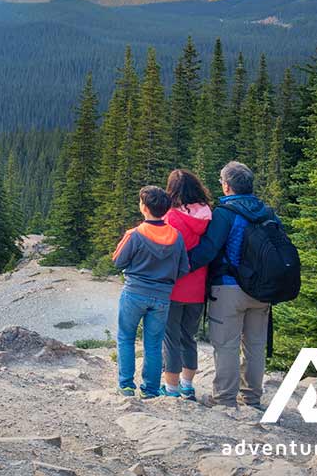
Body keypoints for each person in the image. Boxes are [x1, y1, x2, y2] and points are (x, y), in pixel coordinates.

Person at [186, 161, 273, 408]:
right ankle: (252, 398)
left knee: (226, 344)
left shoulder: (225, 213)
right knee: (255, 345)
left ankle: (224, 399)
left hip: (228, 287)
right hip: (262, 290)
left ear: (226, 186)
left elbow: (209, 250)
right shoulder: (267, 211)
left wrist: (180, 266)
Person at [112, 185, 189, 398]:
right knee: (154, 344)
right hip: (162, 296)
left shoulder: (135, 234)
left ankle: (126, 386)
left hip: (134, 293)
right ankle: (151, 390)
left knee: (126, 338)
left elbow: (118, 261)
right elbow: (183, 269)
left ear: (144, 208)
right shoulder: (176, 236)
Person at [161, 169, 213, 401]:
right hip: (198, 286)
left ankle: (171, 389)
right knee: (188, 336)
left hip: (173, 285)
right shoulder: (207, 214)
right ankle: (188, 386)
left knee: (170, 337)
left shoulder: (169, 216)